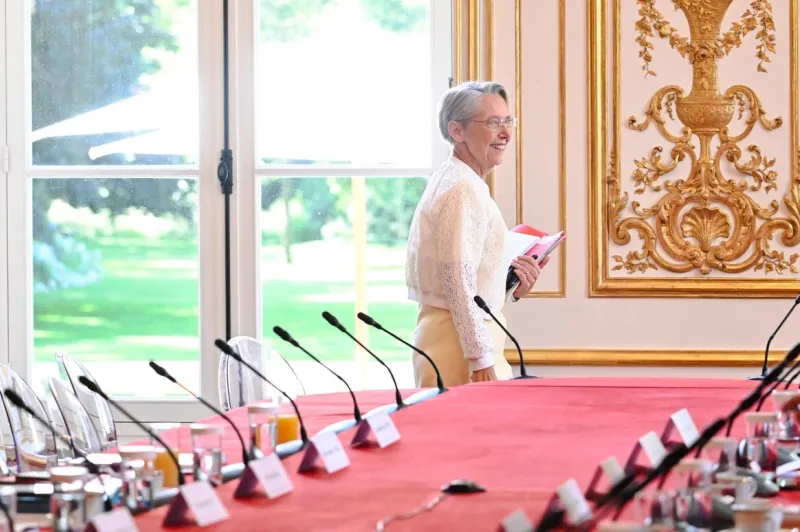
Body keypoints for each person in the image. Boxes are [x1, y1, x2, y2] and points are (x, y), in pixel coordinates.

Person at [405, 81, 547, 387]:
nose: (506, 133)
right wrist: (480, 359)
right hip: (458, 347)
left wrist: (513, 283)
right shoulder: (460, 188)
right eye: (493, 122)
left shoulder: (463, 181)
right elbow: (456, 280)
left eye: (508, 121)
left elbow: (468, 276)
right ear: (457, 131)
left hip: (468, 338)